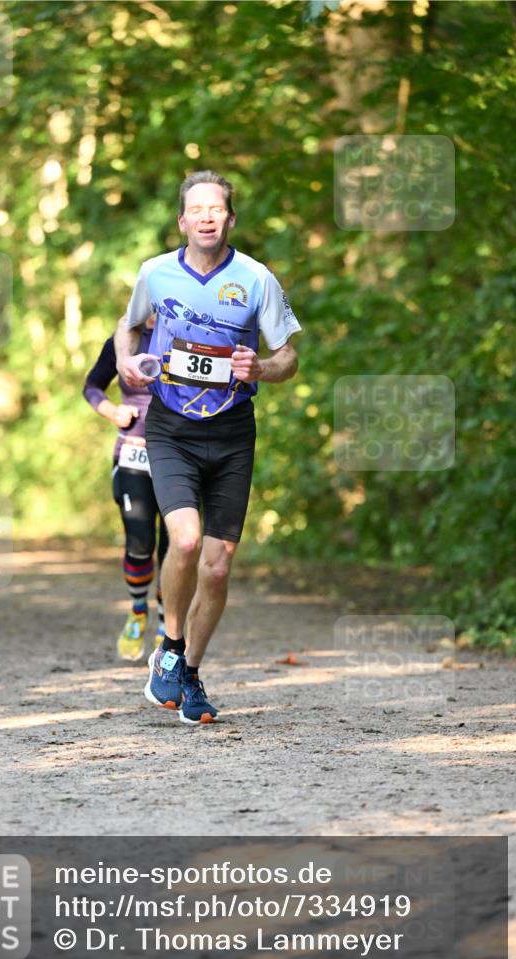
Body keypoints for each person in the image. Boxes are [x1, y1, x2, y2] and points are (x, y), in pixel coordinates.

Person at [114, 170, 300, 724]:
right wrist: (128, 359)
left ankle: (189, 674)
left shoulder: (256, 278)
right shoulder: (155, 273)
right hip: (171, 427)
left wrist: (261, 367)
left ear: (229, 218)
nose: (206, 217)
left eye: (215, 208)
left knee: (218, 569)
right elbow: (129, 328)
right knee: (188, 541)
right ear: (182, 220)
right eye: (196, 209)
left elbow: (289, 356)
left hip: (233, 431)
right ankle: (169, 648)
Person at [83, 316, 169, 661]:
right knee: (140, 543)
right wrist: (111, 411)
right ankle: (137, 611)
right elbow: (92, 386)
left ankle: (167, 626)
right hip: (133, 454)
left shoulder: (183, 340)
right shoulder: (122, 342)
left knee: (175, 547)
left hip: (177, 456)